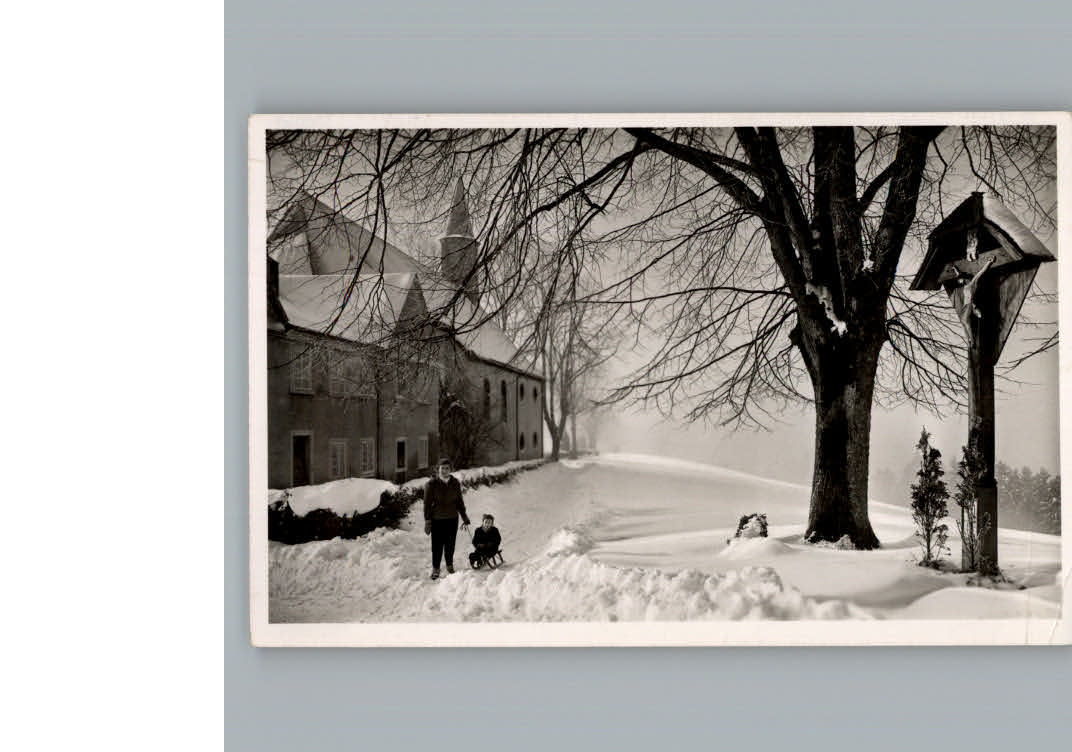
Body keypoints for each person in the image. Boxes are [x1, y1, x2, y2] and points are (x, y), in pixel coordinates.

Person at [423, 457, 470, 579]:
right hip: (437, 519)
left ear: (451, 470)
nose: (444, 470)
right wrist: (428, 520)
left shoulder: (455, 483)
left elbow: (459, 502)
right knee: (437, 546)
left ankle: (449, 565)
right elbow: (427, 504)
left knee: (450, 544)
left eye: (447, 468)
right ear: (437, 469)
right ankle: (436, 569)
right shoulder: (431, 484)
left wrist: (464, 516)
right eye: (442, 468)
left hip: (452, 518)